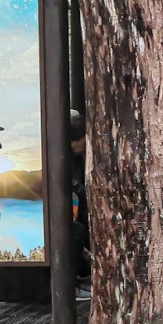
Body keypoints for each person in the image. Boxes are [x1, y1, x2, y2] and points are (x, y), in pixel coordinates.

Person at [68, 110, 91, 302]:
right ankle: (68, 285)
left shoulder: (77, 156)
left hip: (74, 207)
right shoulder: (60, 157)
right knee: (76, 231)